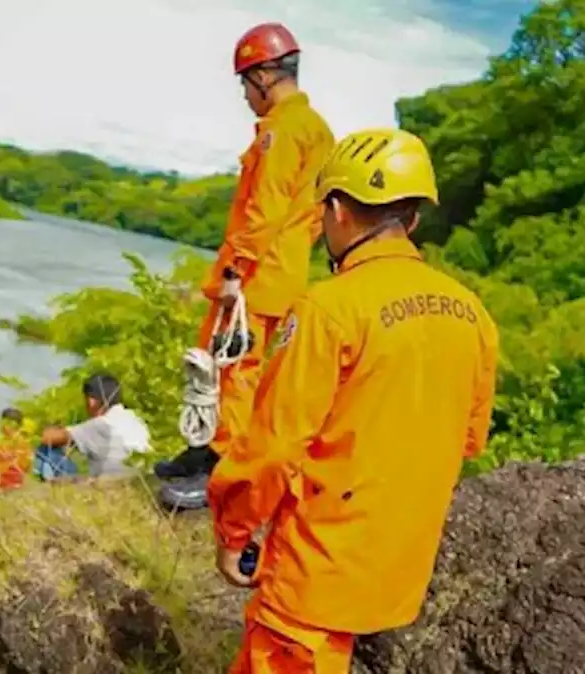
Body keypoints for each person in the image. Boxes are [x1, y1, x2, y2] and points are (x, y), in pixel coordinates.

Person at [206, 128, 499, 673]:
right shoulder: (473, 314)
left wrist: (234, 531)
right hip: (396, 571)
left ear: (337, 210)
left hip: (316, 573)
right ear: (410, 219)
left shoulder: (328, 309)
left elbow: (272, 447)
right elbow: (468, 439)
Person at [177, 23, 336, 475]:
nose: (246, 95)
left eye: (246, 83)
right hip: (281, 269)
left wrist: (235, 273)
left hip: (257, 273)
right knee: (225, 364)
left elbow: (264, 208)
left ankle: (221, 462)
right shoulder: (317, 130)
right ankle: (207, 451)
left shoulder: (283, 131)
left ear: (265, 75)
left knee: (234, 368)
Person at [38, 373, 151, 479]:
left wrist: (51, 428)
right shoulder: (135, 420)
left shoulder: (102, 424)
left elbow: (47, 437)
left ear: (91, 401)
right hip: (136, 481)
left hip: (110, 484)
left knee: (46, 450)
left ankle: (49, 485)